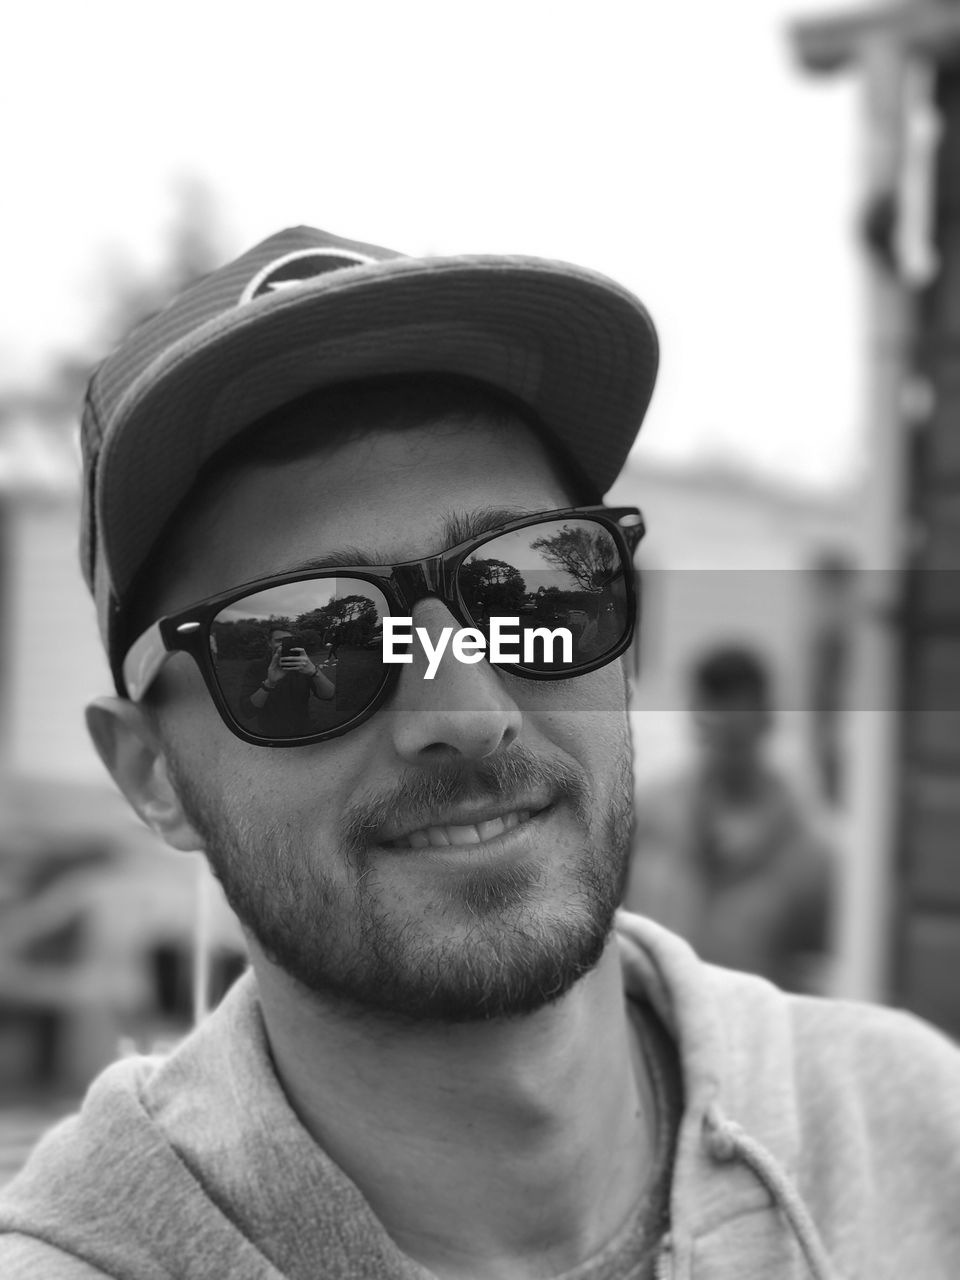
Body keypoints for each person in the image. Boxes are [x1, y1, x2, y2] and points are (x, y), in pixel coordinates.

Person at [1, 225, 958, 1279]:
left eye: (534, 586)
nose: (466, 705)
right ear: (151, 774)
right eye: (313, 639)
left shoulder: (912, 1140)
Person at [623, 645, 835, 993]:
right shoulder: (649, 810)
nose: (720, 745)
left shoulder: (809, 850)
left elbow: (816, 975)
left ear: (766, 720)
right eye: (709, 725)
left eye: (735, 735)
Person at [239, 625, 335, 739]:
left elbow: (329, 695)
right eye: (279, 641)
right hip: (270, 735)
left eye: (288, 641)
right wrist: (269, 683)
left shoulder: (303, 666)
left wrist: (314, 672)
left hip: (304, 731)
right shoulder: (256, 667)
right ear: (269, 643)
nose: (283, 645)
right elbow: (248, 710)